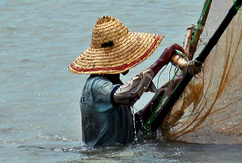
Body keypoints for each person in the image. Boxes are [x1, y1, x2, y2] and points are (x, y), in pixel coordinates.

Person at [69, 15, 192, 148]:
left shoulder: (112, 85)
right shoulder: (97, 86)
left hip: (119, 155)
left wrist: (161, 95)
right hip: (106, 160)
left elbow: (134, 125)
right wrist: (160, 63)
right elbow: (128, 94)